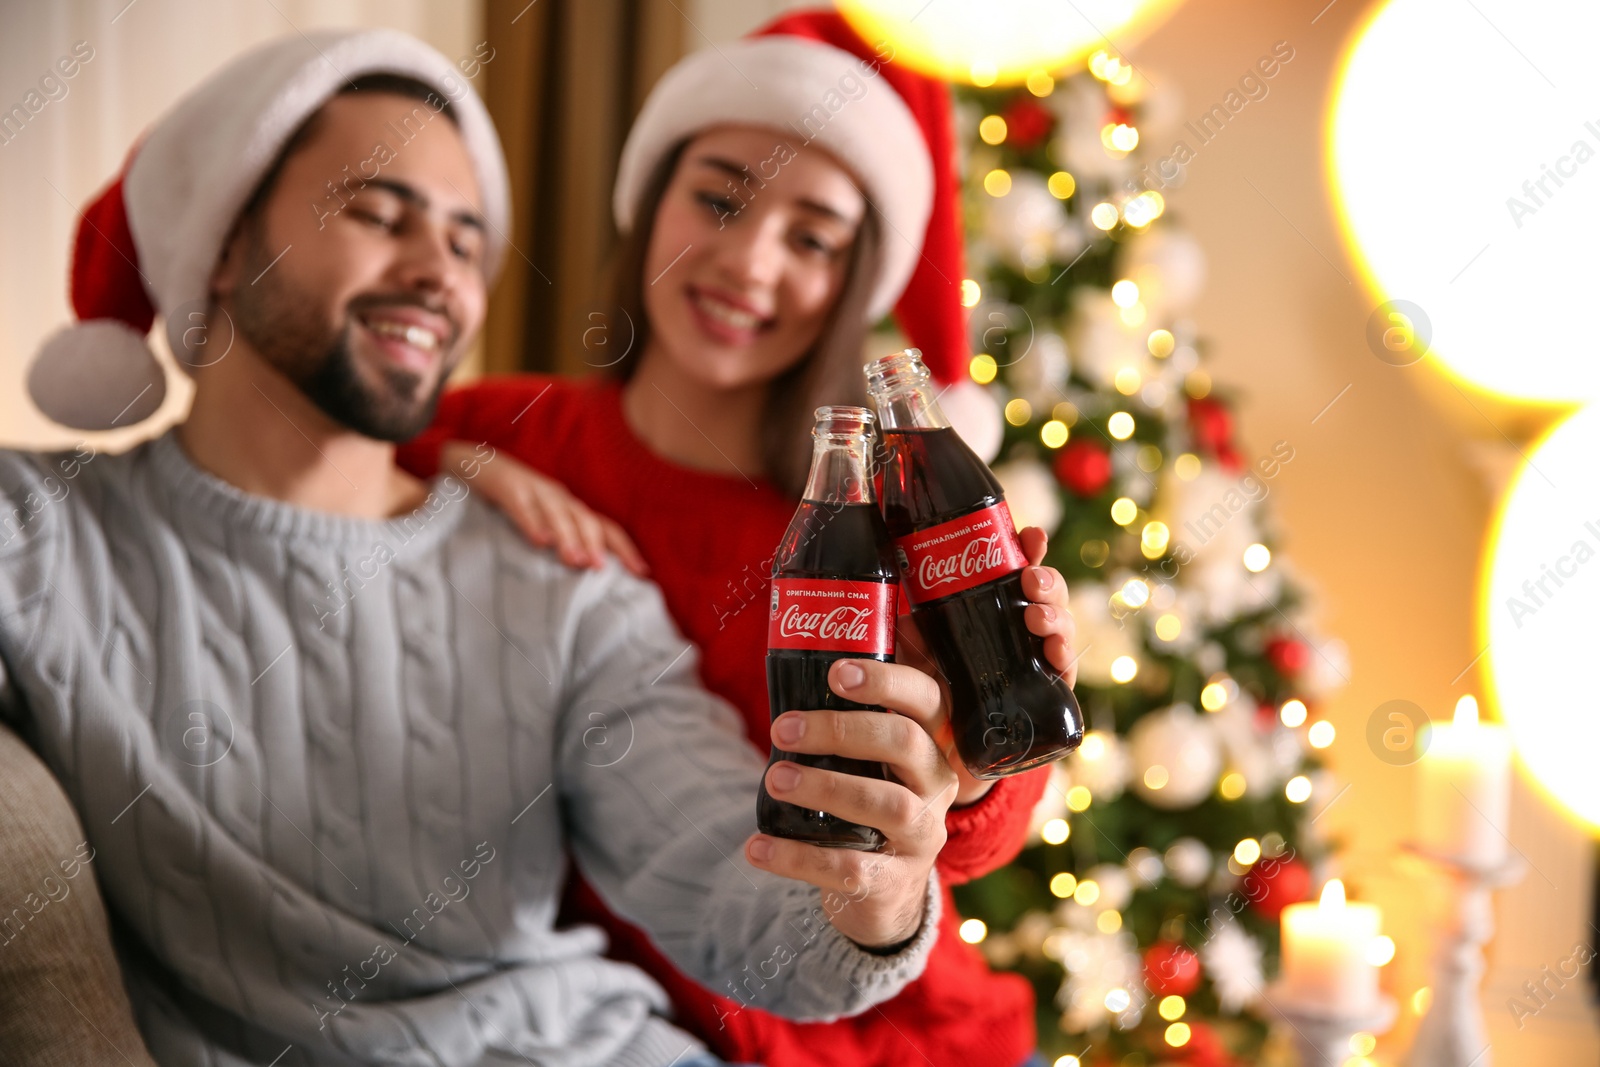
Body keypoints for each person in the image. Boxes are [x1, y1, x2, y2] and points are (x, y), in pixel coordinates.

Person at [0, 28, 999, 1067]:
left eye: (469, 242)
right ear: (218, 235)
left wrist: (868, 891)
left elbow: (724, 876)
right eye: (381, 213)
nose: (440, 275)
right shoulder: (36, 530)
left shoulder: (561, 582)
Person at [397, 13, 1071, 1067]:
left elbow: (963, 841)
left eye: (811, 237)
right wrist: (460, 464)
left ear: (854, 280)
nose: (748, 260)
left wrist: (973, 756)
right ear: (648, 198)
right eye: (718, 198)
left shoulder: (878, 516)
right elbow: (332, 465)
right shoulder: (500, 432)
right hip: (626, 1015)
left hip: (889, 1027)